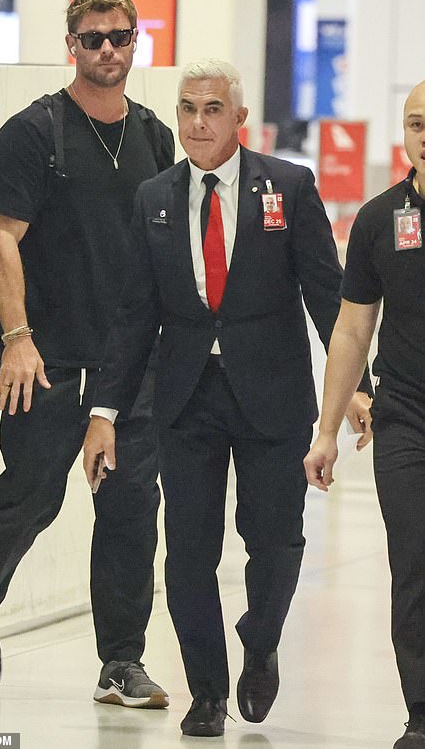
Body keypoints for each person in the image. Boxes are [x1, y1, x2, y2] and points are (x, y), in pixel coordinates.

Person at [82, 58, 373, 737]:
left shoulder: (289, 188)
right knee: (187, 552)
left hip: (273, 393)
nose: (197, 122)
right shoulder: (154, 196)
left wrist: (355, 385)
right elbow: (133, 314)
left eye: (212, 108)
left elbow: (328, 295)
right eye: (187, 108)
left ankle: (261, 636)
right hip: (185, 398)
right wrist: (104, 411)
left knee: (276, 539)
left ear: (239, 118)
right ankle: (207, 690)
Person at [0, 0, 174, 701]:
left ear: (136, 40)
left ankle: (121, 659)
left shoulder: (153, 135)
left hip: (130, 366)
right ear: (71, 45)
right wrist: (16, 338)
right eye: (92, 38)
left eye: (119, 36)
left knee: (131, 508)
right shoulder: (34, 131)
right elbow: (0, 238)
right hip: (47, 361)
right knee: (32, 498)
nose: (107, 49)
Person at [304, 80, 425, 749]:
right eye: (415, 123)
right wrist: (326, 429)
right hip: (405, 415)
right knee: (414, 560)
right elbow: (351, 332)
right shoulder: (381, 219)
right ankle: (422, 711)